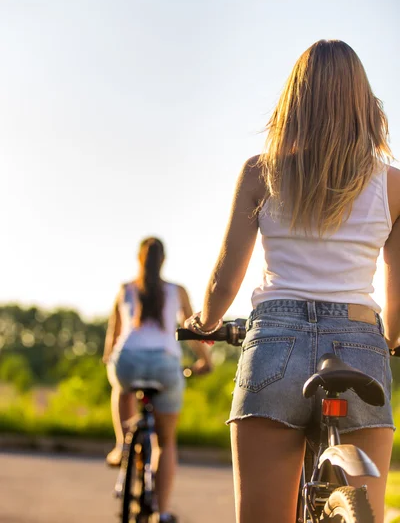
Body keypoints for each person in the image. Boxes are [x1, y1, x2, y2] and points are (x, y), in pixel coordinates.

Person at [184, 40, 400, 523]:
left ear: (293, 103)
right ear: (364, 104)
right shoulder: (393, 185)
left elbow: (226, 276)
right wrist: (392, 339)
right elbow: (398, 284)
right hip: (360, 345)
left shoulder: (262, 173)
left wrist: (205, 321)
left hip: (275, 345)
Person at [103, 237, 212, 523]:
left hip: (127, 359)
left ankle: (120, 446)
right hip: (165, 366)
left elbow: (113, 335)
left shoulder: (125, 289)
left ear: (139, 259)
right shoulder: (176, 291)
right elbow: (192, 332)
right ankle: (161, 513)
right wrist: (206, 361)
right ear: (163, 260)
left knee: (122, 386)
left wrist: (109, 360)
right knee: (165, 442)